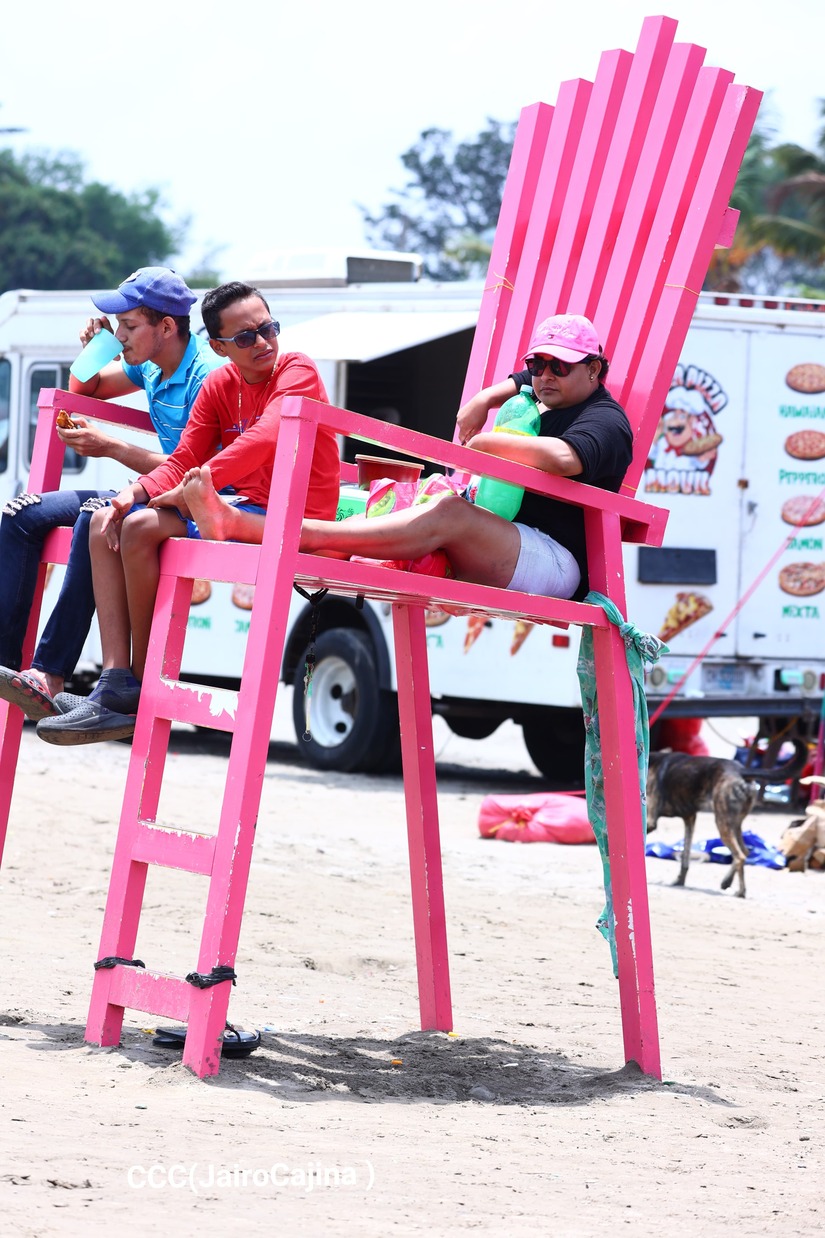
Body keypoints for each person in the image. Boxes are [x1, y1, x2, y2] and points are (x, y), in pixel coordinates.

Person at [37, 281, 341, 745]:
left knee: (127, 521)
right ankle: (116, 679)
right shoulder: (216, 383)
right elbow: (181, 458)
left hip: (292, 515)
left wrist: (190, 488)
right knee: (106, 520)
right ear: (220, 346)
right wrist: (135, 493)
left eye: (268, 329)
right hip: (235, 504)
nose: (263, 342)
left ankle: (136, 682)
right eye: (245, 337)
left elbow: (264, 440)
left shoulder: (295, 369)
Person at [0, 267, 222, 721]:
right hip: (152, 489)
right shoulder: (152, 365)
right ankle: (5, 666)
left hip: (190, 499)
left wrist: (112, 447)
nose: (120, 334)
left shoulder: (207, 376)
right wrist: (97, 347)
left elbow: (196, 475)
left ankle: (50, 673)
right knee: (20, 514)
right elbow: (88, 387)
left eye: (128, 325)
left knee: (94, 516)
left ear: (166, 327)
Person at [298, 312, 633, 600]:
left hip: (555, 559)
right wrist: (484, 399)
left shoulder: (606, 419)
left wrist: (489, 444)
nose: (545, 375)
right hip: (502, 536)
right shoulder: (544, 396)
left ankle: (314, 534)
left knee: (451, 513)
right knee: (398, 503)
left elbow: (565, 458)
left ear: (593, 369)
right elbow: (523, 381)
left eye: (559, 366)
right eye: (537, 364)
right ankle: (297, 543)